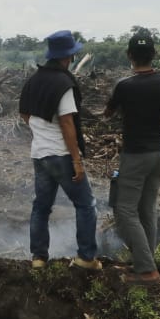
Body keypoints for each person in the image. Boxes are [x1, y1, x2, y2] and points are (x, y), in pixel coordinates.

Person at [104, 33, 160, 284]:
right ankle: (144, 261)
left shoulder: (124, 85)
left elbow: (107, 113)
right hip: (158, 155)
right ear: (154, 54)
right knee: (147, 209)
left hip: (135, 155)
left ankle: (147, 270)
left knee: (125, 210)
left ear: (129, 55)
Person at [18, 30, 99, 270]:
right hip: (61, 155)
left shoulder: (34, 80)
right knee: (86, 204)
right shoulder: (63, 83)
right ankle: (86, 257)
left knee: (41, 207)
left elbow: (24, 112)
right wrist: (76, 160)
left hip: (39, 154)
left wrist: (39, 130)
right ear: (69, 57)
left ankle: (39, 258)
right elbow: (66, 123)